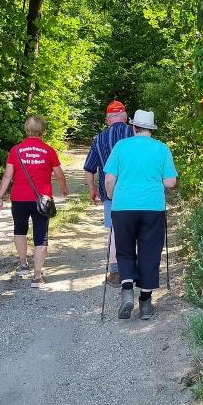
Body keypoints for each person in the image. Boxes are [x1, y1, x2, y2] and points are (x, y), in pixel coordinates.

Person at [104, 109, 177, 320]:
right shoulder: (162, 149)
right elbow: (170, 182)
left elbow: (109, 179)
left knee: (125, 251)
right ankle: (145, 303)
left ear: (134, 127)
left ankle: (127, 289)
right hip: (152, 208)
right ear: (151, 129)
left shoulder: (121, 146)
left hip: (123, 207)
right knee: (149, 253)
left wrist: (111, 195)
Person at [0, 115, 68, 288]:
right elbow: (58, 174)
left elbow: (7, 176)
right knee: (41, 235)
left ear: (27, 129)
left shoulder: (16, 150)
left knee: (20, 230)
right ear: (43, 130)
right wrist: (63, 188)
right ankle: (37, 276)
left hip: (19, 198)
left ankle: (23, 264)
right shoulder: (49, 150)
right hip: (42, 199)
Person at [83, 100, 133, 286]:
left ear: (107, 119)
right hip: (134, 190)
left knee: (114, 230)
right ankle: (134, 268)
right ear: (125, 117)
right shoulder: (134, 133)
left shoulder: (99, 139)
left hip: (110, 192)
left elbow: (89, 168)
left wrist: (92, 189)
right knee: (135, 226)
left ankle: (115, 272)